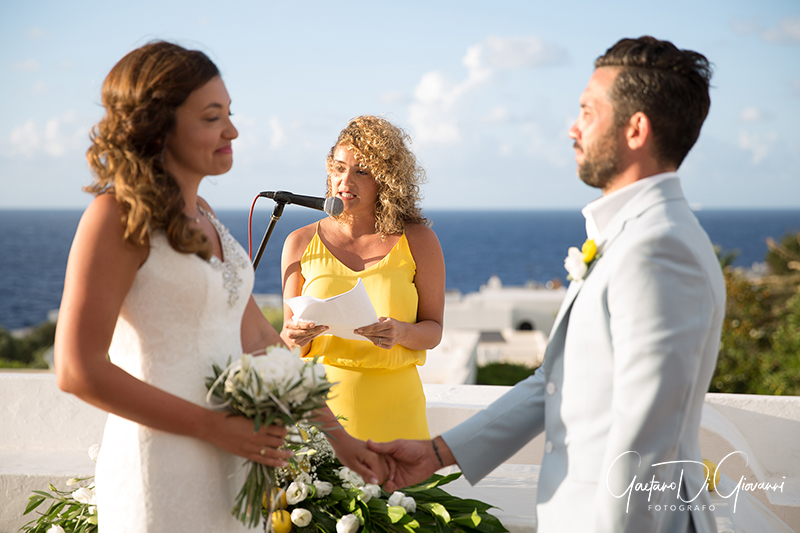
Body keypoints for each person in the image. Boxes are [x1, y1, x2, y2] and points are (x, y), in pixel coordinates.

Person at [371, 36, 725, 533]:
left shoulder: (659, 249)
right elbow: (555, 384)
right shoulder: (630, 236)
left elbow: (645, 444)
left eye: (587, 111)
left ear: (636, 129)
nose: (572, 129)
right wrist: (437, 453)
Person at [54, 41, 383, 532]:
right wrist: (211, 427)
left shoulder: (206, 217)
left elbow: (260, 342)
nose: (232, 130)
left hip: (231, 463)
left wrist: (341, 439)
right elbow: (76, 369)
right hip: (158, 467)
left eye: (229, 113)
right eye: (212, 117)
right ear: (156, 124)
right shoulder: (115, 217)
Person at [280, 115, 446, 442]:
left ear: (387, 179)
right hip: (320, 413)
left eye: (362, 171)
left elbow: (433, 331)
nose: (345, 181)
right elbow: (287, 338)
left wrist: (401, 332)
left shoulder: (419, 241)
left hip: (398, 411)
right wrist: (295, 334)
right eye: (339, 168)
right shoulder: (299, 242)